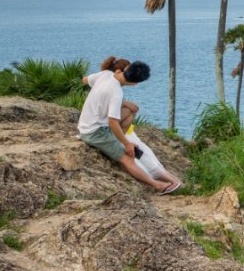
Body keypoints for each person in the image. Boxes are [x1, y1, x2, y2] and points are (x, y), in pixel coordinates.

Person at [77, 58, 180, 194]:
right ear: (136, 83)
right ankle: (158, 186)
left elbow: (85, 80)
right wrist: (127, 144)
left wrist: (119, 101)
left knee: (130, 110)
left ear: (126, 69)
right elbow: (112, 122)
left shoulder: (106, 74)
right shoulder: (116, 92)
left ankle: (118, 139)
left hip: (88, 122)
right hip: (94, 132)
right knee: (128, 159)